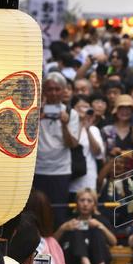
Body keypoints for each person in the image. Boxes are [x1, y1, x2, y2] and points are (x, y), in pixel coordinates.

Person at [34, 72, 80, 226]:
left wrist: (65, 124)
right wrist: (37, 119)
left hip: (60, 171)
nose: (53, 93)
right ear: (43, 91)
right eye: (49, 89)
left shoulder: (71, 113)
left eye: (57, 89)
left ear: (63, 90)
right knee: (36, 214)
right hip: (38, 170)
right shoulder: (34, 111)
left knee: (58, 214)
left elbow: (72, 144)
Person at [54, 187, 116, 264]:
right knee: (76, 230)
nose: (85, 204)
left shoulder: (100, 220)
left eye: (89, 201)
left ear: (94, 204)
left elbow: (113, 242)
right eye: (82, 200)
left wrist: (101, 226)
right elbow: (53, 243)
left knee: (97, 231)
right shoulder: (69, 221)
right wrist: (63, 228)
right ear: (77, 203)